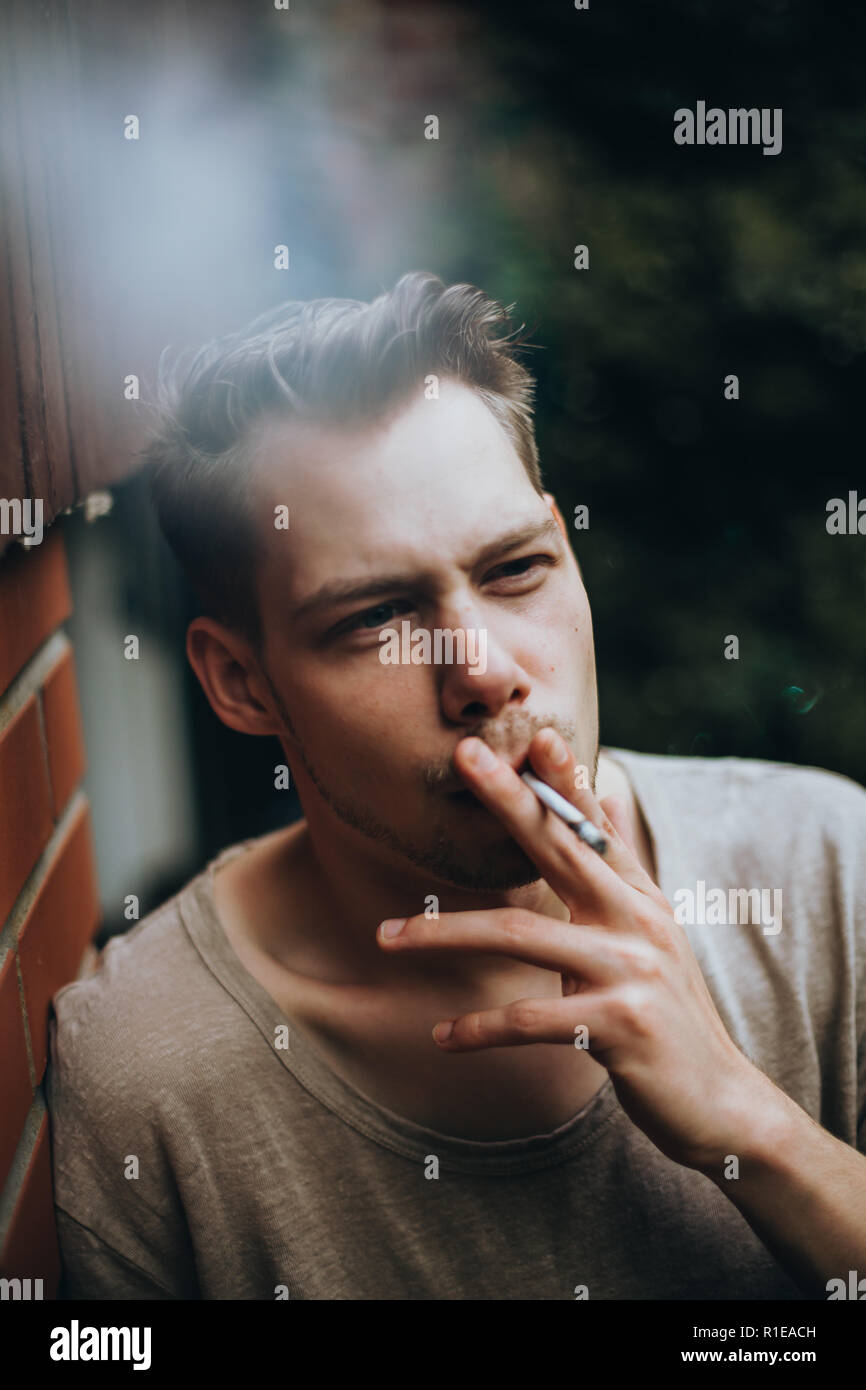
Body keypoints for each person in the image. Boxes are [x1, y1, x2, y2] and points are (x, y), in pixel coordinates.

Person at [46, 272, 866, 1300]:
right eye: (377, 618)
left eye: (514, 569)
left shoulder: (828, 867)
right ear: (240, 681)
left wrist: (757, 1130)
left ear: (565, 548)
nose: (482, 669)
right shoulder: (139, 1068)